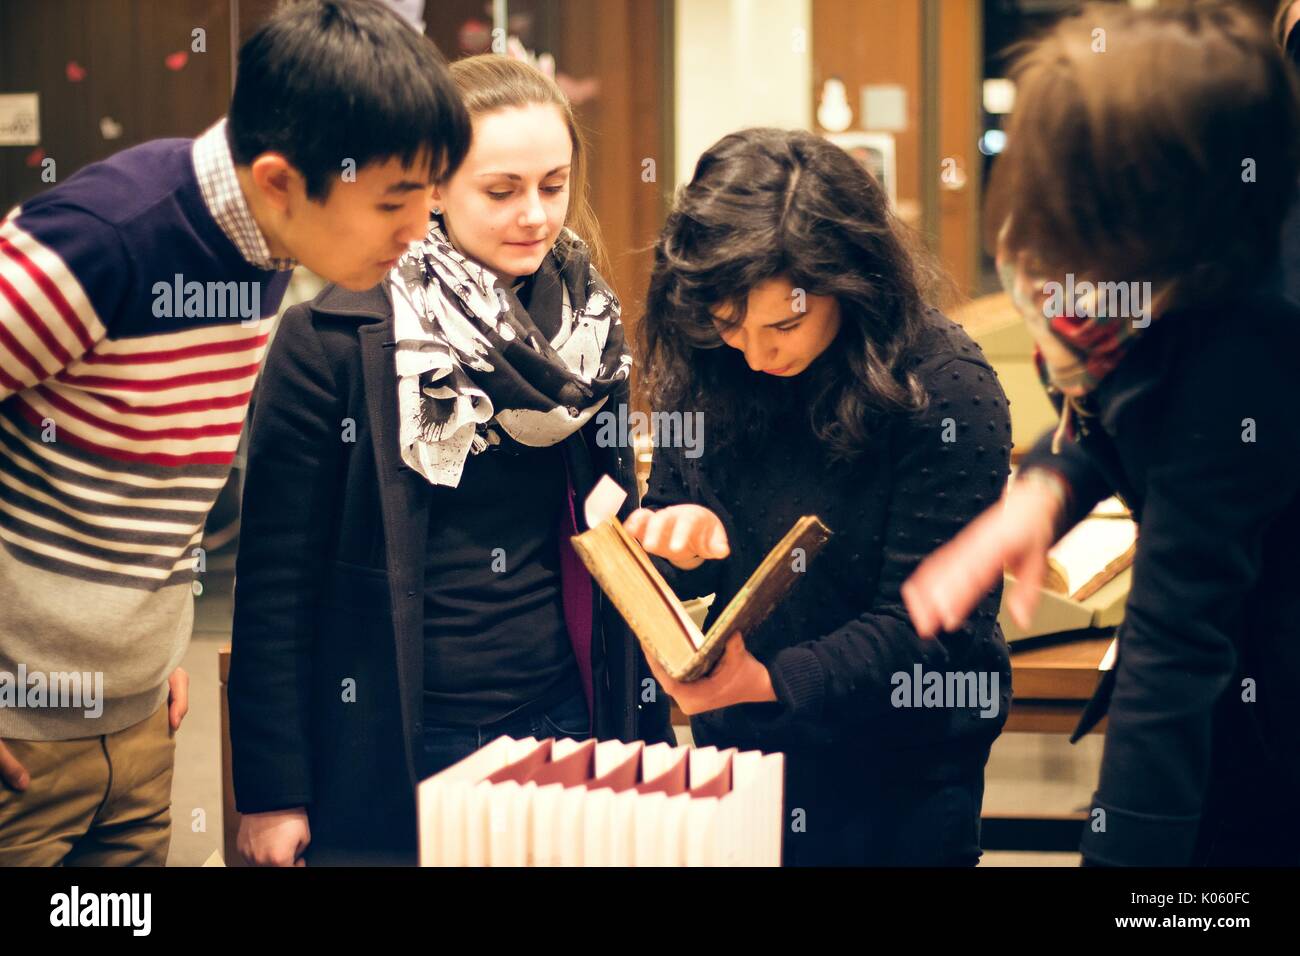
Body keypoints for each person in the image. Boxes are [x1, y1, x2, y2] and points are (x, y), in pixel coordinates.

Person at [0, 0, 468, 867]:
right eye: (396, 204)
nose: (416, 235)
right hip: (21, 745)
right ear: (282, 180)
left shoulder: (265, 245)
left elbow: (159, 466)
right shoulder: (108, 238)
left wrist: (150, 639)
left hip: (138, 722)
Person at [229, 55, 673, 866]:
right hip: (397, 732)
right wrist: (271, 792)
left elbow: (614, 532)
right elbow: (273, 588)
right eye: (500, 191)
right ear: (432, 186)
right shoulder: (332, 338)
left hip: (560, 712)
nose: (535, 214)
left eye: (554, 183)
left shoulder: (587, 327)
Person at [903, 1, 1300, 866]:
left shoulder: (1252, 340)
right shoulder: (1148, 291)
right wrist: (1047, 487)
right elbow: (1117, 413)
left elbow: (1176, 646)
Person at [627, 127, 1012, 866]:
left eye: (787, 323)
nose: (757, 352)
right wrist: (685, 544)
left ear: (851, 282)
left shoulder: (947, 388)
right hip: (746, 762)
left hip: (902, 773)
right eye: (730, 322)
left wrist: (772, 679)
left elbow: (934, 629)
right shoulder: (707, 364)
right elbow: (685, 531)